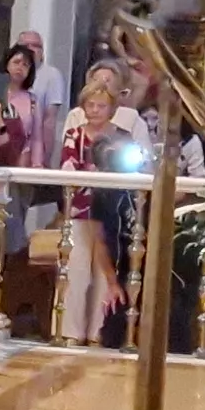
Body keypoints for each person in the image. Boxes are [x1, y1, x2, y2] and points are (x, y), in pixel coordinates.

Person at [52, 68, 142, 345]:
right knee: (77, 269)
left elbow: (132, 168)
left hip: (112, 212)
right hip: (80, 210)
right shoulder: (74, 135)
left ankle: (99, 331)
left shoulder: (124, 136)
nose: (94, 110)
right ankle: (71, 331)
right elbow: (69, 167)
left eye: (101, 106)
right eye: (90, 105)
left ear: (112, 108)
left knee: (107, 271)